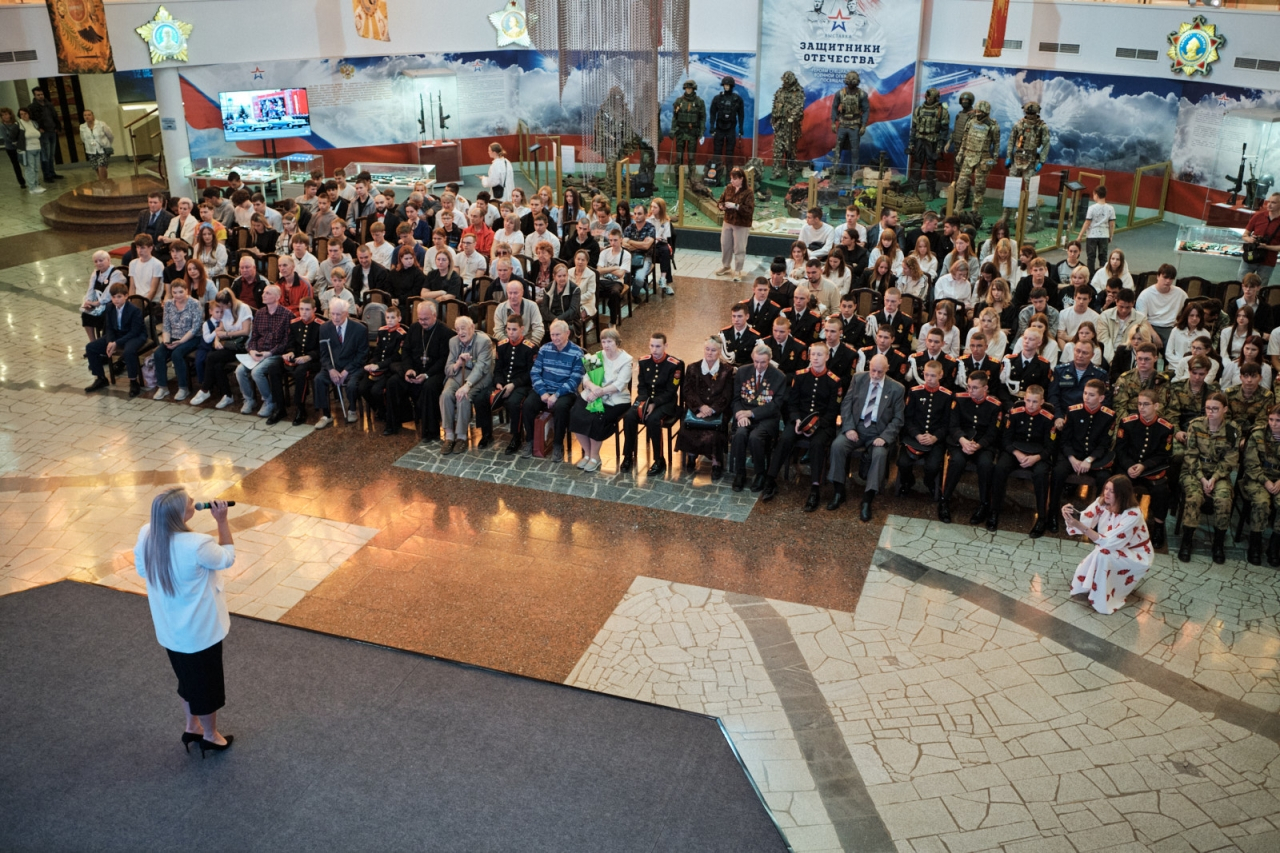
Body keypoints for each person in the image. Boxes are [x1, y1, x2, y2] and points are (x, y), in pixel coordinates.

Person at [134, 489, 236, 756]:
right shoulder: (197, 544)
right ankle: (211, 736)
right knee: (207, 686)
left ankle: (192, 727)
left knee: (187, 680)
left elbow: (142, 570)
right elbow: (227, 558)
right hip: (199, 632)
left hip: (170, 629)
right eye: (189, 502)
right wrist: (222, 521)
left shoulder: (147, 533)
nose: (194, 502)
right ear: (180, 514)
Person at [827, 354, 905, 521]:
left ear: (887, 369)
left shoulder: (897, 388)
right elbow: (846, 404)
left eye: (879, 372)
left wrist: (884, 437)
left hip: (879, 431)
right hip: (857, 426)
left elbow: (898, 419)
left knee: (879, 454)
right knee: (837, 446)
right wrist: (849, 428)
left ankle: (867, 499)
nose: (875, 375)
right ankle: (839, 491)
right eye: (872, 370)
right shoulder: (858, 379)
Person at [1063, 475, 1151, 615]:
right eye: (1106, 489)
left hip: (1136, 554)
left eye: (1112, 491)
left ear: (1122, 494)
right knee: (1102, 552)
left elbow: (1108, 542)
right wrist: (1068, 516)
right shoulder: (1102, 502)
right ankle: (1095, 587)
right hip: (1114, 546)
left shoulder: (1133, 514)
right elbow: (1085, 519)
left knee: (1103, 553)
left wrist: (1078, 525)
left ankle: (1102, 598)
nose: (1107, 493)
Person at [1178, 392, 1238, 564]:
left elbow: (1231, 459)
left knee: (1224, 499)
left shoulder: (1232, 430)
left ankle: (1218, 543)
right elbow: (1190, 455)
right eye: (1208, 408)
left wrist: (1214, 478)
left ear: (1225, 409)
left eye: (1215, 409)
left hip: (1219, 474)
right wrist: (1202, 479)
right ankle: (1187, 540)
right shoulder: (1195, 425)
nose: (1210, 412)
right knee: (1194, 497)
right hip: (1194, 471)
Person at [988, 383, 1054, 536]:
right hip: (1015, 452)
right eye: (1028, 400)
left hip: (1038, 455)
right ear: (1024, 399)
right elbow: (1006, 440)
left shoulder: (1048, 419)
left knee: (1041, 474)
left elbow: (1051, 446)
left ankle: (1041, 518)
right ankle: (994, 511)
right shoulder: (1015, 414)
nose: (1031, 405)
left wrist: (1036, 458)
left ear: (1042, 401)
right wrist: (1017, 453)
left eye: (1035, 402)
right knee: (1000, 468)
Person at [1048, 378, 1115, 527]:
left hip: (1094, 457)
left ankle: (1098, 520)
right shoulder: (1073, 411)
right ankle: (1052, 514)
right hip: (1073, 454)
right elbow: (1065, 440)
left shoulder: (1108, 416)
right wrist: (1072, 459)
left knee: (1104, 478)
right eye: (1085, 393)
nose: (1086, 397)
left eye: (1091, 395)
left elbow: (1104, 444)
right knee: (1058, 472)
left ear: (1101, 398)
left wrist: (1089, 459)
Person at [939, 370, 1002, 524]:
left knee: (986, 464)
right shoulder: (959, 399)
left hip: (982, 444)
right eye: (968, 386)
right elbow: (953, 426)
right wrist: (963, 441)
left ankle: (984, 504)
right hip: (960, 442)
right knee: (957, 461)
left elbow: (993, 433)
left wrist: (978, 445)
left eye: (974, 388)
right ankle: (944, 500)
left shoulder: (995, 406)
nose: (970, 391)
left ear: (985, 388)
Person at [386, 300, 454, 438]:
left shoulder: (445, 332)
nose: (422, 322)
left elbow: (444, 360)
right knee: (393, 382)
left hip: (435, 372)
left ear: (434, 315)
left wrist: (427, 375)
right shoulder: (414, 328)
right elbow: (406, 351)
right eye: (420, 319)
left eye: (426, 319)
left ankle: (430, 431)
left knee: (429, 387)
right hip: (415, 370)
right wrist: (408, 369)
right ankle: (393, 425)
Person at [569, 329, 634, 473]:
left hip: (616, 400)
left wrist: (599, 392)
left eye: (609, 341)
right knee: (576, 414)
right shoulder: (596, 356)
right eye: (603, 342)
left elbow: (620, 384)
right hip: (592, 393)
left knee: (597, 418)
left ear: (617, 342)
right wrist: (593, 389)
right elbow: (586, 378)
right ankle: (587, 453)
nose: (606, 345)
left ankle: (595, 457)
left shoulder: (626, 360)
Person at [620, 334, 683, 476]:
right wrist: (644, 403)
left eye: (658, 346)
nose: (654, 350)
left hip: (665, 402)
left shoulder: (674, 364)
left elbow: (671, 391)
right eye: (652, 346)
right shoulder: (644, 361)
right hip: (646, 399)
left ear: (666, 346)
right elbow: (641, 386)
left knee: (653, 420)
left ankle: (659, 460)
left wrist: (654, 404)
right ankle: (628, 455)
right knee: (629, 417)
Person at [522, 320, 584, 460]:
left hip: (565, 392)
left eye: (558, 334)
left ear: (567, 333)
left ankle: (557, 444)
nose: (555, 338)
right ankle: (530, 441)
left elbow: (575, 380)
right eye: (552, 335)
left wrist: (556, 395)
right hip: (544, 389)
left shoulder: (577, 352)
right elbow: (535, 372)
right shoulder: (544, 349)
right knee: (528, 405)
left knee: (561, 408)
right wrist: (542, 392)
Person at [731, 344, 787, 493]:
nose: (759, 366)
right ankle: (740, 473)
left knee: (755, 438)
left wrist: (751, 413)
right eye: (756, 361)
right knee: (740, 435)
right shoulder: (743, 371)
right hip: (744, 414)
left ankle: (760, 473)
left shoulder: (779, 377)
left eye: (763, 362)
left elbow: (775, 405)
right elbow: (736, 399)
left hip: (766, 418)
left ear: (769, 360)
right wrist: (739, 414)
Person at [676, 337, 734, 480]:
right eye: (707, 349)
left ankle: (716, 462)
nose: (709, 353)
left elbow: (727, 395)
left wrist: (712, 410)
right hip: (696, 409)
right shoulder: (692, 368)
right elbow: (687, 391)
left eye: (713, 350)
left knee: (715, 433)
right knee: (689, 426)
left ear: (719, 352)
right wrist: (700, 407)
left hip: (717, 410)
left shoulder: (727, 370)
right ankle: (691, 455)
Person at [897, 360, 952, 501]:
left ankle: (929, 483)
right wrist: (916, 434)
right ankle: (908, 482)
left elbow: (947, 423)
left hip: (935, 439)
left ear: (940, 375)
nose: (929, 379)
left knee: (933, 466)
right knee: (902, 463)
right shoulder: (915, 392)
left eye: (933, 376)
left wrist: (935, 437)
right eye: (926, 375)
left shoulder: (947, 396)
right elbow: (908, 418)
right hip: (914, 437)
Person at [439, 316, 494, 454]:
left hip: (479, 376)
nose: (460, 332)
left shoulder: (484, 341)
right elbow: (448, 369)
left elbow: (481, 368)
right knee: (445, 395)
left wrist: (467, 385)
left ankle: (461, 437)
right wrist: (458, 363)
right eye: (457, 329)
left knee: (463, 396)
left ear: (472, 328)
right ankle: (449, 436)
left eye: (463, 328)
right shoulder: (453, 342)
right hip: (459, 374)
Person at [189, 289, 253, 408]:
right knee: (217, 365)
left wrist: (227, 334)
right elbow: (220, 329)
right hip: (229, 344)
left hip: (242, 346)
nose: (221, 309)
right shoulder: (225, 309)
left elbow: (245, 331)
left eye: (222, 306)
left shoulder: (243, 308)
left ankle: (205, 389)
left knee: (211, 357)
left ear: (229, 303)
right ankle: (227, 395)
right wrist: (216, 340)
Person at [234, 284, 290, 418]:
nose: (263, 295)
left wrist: (269, 353)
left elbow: (286, 342)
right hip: (258, 352)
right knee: (239, 370)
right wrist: (252, 350)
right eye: (263, 292)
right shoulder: (259, 313)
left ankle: (269, 401)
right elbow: (254, 337)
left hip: (274, 354)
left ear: (277, 297)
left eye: (268, 293)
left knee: (257, 372)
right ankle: (249, 399)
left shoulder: (286, 315)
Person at [84, 282, 147, 397]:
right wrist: (110, 342)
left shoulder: (134, 310)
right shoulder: (110, 307)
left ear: (126, 296)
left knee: (129, 351)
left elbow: (134, 331)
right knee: (91, 347)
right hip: (118, 334)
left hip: (134, 336)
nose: (116, 300)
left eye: (119, 296)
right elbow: (109, 327)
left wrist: (116, 343)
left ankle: (134, 381)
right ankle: (101, 378)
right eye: (113, 297)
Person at [268, 297, 323, 426]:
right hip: (296, 357)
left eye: (307, 309)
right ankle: (280, 407)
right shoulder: (294, 323)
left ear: (314, 310)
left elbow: (323, 349)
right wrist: (290, 351)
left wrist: (309, 356)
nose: (303, 312)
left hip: (314, 360)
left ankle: (300, 408)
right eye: (301, 309)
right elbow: (291, 343)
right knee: (273, 367)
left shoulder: (321, 326)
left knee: (300, 371)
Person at [313, 299, 368, 429]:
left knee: (352, 384)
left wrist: (346, 371)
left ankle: (352, 409)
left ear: (346, 313)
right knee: (319, 379)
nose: (335, 317)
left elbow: (362, 355)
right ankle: (326, 415)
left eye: (338, 314)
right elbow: (324, 354)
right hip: (333, 365)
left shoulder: (359, 329)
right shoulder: (324, 328)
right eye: (332, 314)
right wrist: (331, 369)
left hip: (352, 366)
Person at [1240, 404, 1280, 565]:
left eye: (1278, 420)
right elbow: (1250, 464)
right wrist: (1266, 481)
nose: (1273, 424)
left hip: (1279, 480)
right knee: (1262, 502)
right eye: (1271, 419)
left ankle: (1274, 546)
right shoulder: (1258, 434)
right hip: (1257, 477)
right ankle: (1255, 545)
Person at [153, 281, 203, 402]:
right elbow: (166, 326)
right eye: (174, 292)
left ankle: (183, 387)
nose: (177, 295)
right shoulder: (169, 304)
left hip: (192, 337)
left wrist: (181, 342)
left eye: (181, 292)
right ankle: (162, 386)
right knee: (158, 354)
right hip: (173, 337)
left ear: (187, 291)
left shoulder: (194, 303)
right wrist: (166, 342)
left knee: (177, 354)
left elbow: (195, 328)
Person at [715, 167, 754, 281]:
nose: (732, 181)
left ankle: (737, 270)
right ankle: (726, 266)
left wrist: (736, 206)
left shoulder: (748, 192)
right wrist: (721, 206)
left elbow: (749, 210)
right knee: (725, 244)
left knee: (739, 248)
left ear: (741, 179)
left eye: (735, 179)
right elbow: (721, 200)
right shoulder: (729, 188)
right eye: (731, 178)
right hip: (728, 221)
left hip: (741, 224)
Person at [1134, 264, 1186, 349]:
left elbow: (1187, 311)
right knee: (1146, 348)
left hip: (1170, 327)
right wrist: (1154, 335)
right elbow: (1141, 319)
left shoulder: (1180, 294)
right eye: (1165, 277)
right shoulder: (1145, 294)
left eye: (1171, 278)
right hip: (1150, 326)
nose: (1168, 281)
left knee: (1177, 347)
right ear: (1158, 276)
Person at [82, 250, 125, 341]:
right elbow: (90, 289)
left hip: (113, 303)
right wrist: (88, 302)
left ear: (108, 260)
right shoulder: (95, 273)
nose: (98, 263)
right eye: (96, 261)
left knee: (106, 314)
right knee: (85, 313)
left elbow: (109, 292)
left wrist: (98, 303)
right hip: (98, 303)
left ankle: (106, 340)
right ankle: (93, 341)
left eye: (101, 260)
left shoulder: (116, 274)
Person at [1240, 192, 1280, 285]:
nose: (1269, 204)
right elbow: (1245, 235)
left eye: (1273, 202)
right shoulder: (1259, 216)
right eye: (1268, 201)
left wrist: (1266, 247)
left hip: (1268, 260)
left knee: (1261, 287)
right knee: (1242, 284)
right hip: (1251, 255)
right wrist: (1250, 240)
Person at [1076, 185, 1116, 275]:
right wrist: (1111, 235)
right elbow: (1112, 224)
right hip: (1104, 235)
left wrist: (1080, 235)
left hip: (1092, 235)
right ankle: (1103, 274)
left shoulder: (1092, 208)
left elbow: (1087, 222)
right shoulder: (1111, 208)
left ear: (1096, 194)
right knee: (1103, 257)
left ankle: (1090, 276)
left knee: (1091, 257)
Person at [25, 87, 61, 183]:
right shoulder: (32, 107)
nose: (41, 96)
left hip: (52, 130)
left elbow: (54, 116)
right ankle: (47, 175)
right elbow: (33, 120)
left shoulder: (49, 104)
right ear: (34, 96)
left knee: (51, 154)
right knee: (45, 155)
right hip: (43, 133)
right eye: (38, 95)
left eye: (41, 94)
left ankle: (52, 172)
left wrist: (57, 126)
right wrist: (39, 128)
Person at [79, 108, 114, 182]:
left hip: (103, 150)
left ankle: (104, 183)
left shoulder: (101, 124)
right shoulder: (82, 127)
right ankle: (102, 183)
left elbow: (110, 136)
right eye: (85, 115)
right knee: (96, 168)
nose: (87, 117)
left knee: (101, 166)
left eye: (89, 115)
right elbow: (83, 139)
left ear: (93, 116)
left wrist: (107, 144)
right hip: (91, 151)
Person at [128, 234, 165, 301]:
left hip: (152, 301)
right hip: (137, 300)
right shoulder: (133, 263)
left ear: (150, 248)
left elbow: (153, 290)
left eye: (143, 248)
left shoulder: (157, 264)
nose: (139, 251)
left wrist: (144, 304)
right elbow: (132, 287)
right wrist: (131, 302)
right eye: (137, 247)